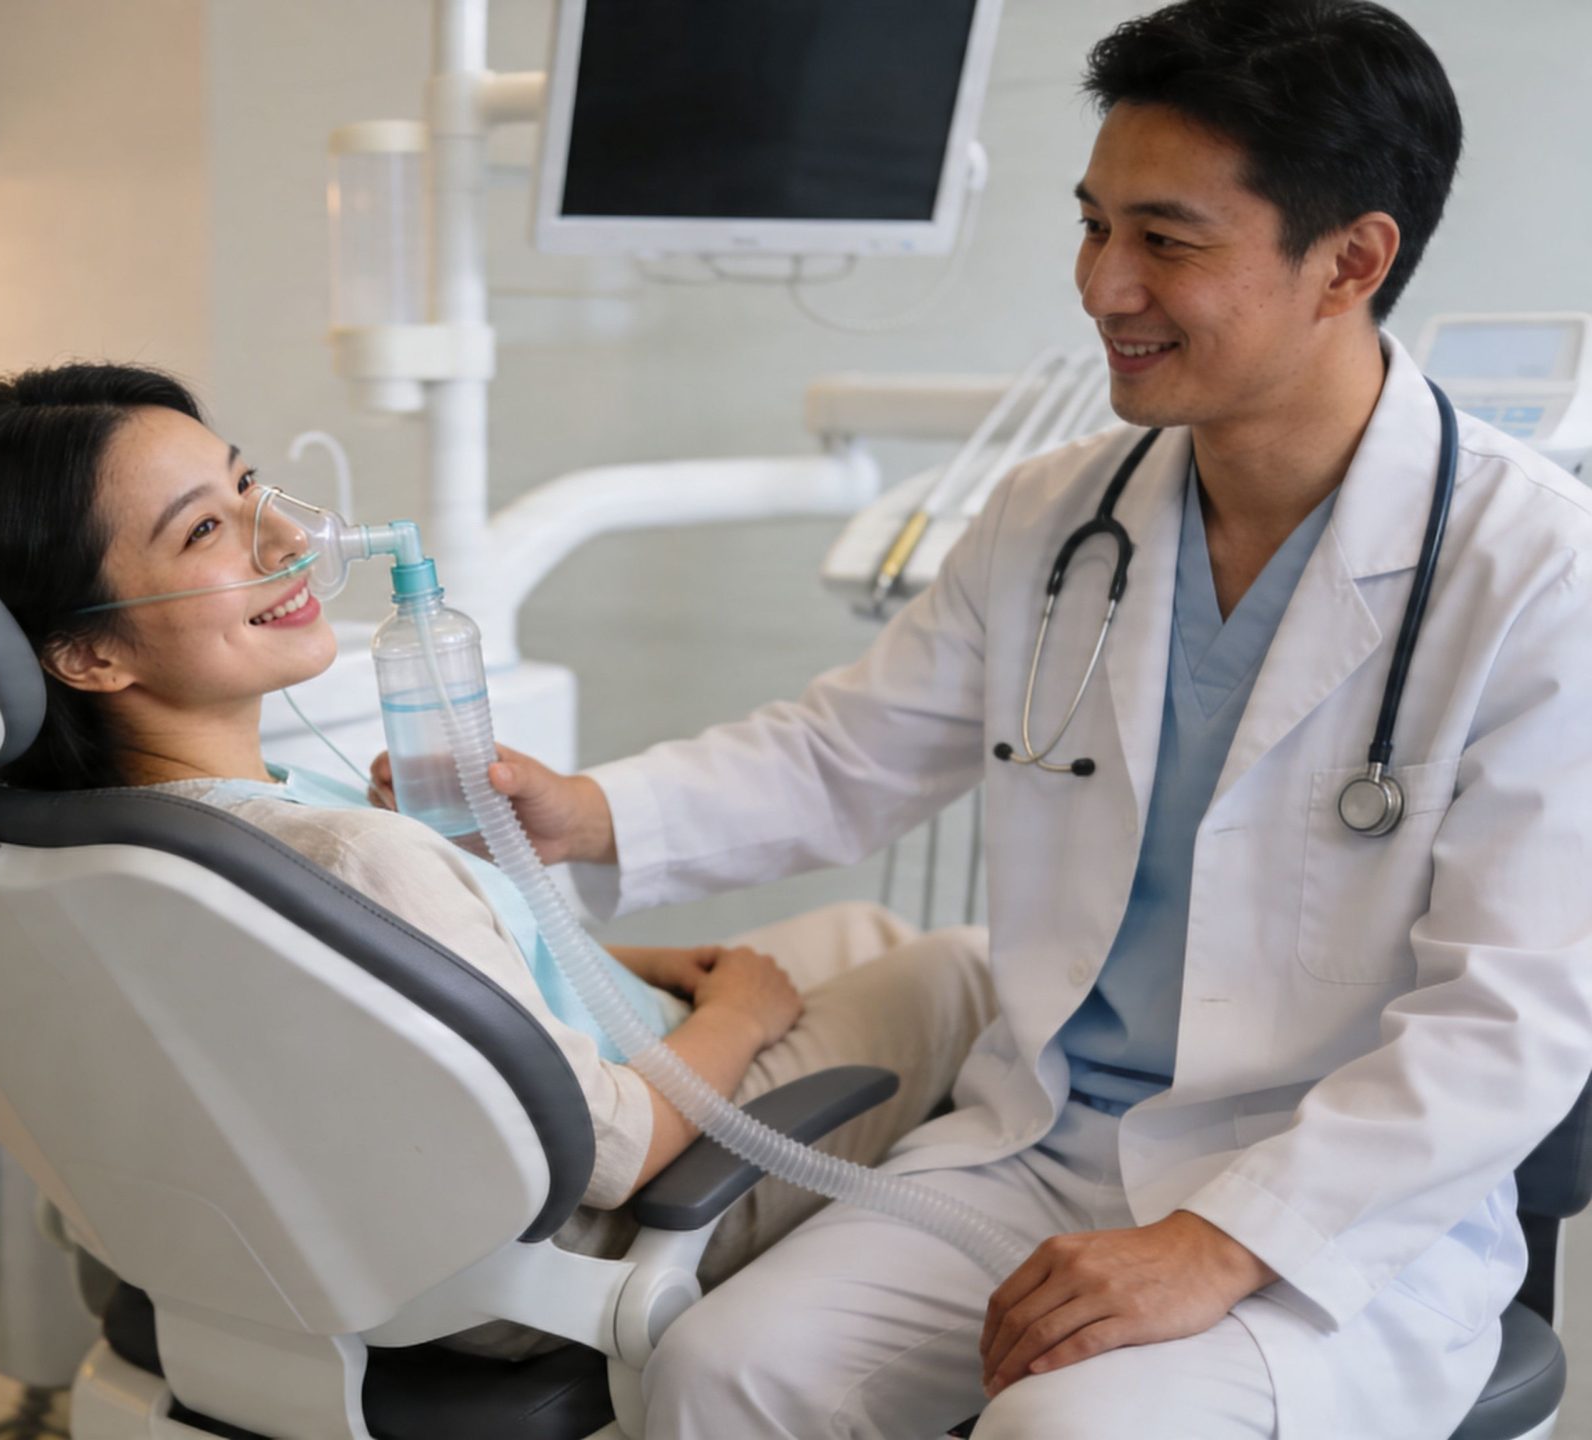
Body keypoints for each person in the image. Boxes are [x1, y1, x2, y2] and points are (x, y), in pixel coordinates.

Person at [378, 1, 1592, 1434]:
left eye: (1165, 240)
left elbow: (1512, 1015)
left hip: (1332, 1216)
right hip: (1045, 1144)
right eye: (1092, 225)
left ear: (1351, 261)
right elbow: (844, 756)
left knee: (1061, 1427)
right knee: (718, 1369)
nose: (1102, 285)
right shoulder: (1058, 515)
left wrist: (1219, 1243)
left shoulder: (1533, 571)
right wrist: (581, 812)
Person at [0, 361, 994, 1355]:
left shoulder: (103, 835)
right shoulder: (346, 853)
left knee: (861, 934)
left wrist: (630, 960)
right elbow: (607, 1151)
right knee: (961, 968)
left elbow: (419, 994)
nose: (288, 538)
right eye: (204, 531)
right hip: (577, 1247)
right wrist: (740, 1016)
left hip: (382, 1225)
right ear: (84, 652)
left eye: (248, 485)